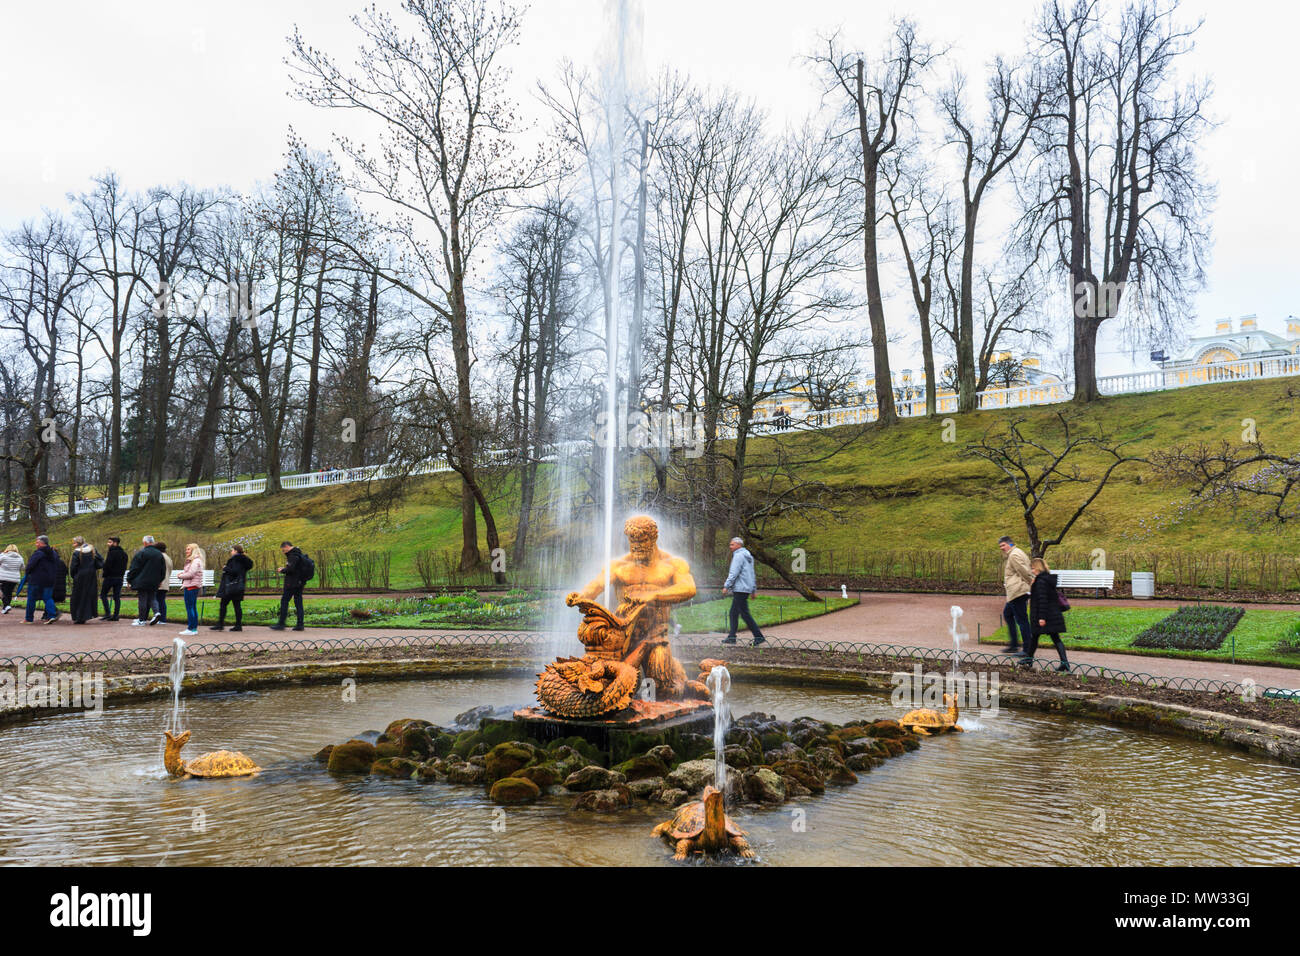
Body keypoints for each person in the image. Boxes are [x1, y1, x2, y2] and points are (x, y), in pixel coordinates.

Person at [1024, 557, 1070, 673]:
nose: (1032, 571)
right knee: (1051, 638)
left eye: (1033, 568)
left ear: (1038, 568)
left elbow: (1042, 600)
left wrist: (1041, 618)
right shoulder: (1045, 580)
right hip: (1052, 614)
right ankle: (1064, 663)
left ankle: (1029, 660)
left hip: (1046, 615)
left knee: (1037, 637)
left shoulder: (1040, 582)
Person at [721, 536, 766, 647]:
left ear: (738, 545)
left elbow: (733, 573)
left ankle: (758, 636)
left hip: (740, 588)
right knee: (733, 613)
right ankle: (732, 637)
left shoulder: (738, 556)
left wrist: (726, 586)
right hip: (745, 588)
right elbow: (752, 574)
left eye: (732, 544)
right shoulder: (748, 556)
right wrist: (753, 589)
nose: (730, 546)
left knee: (744, 614)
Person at [998, 535, 1033, 653]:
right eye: (1000, 546)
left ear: (1010, 544)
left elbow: (1024, 570)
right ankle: (1014, 644)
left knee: (1022, 620)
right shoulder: (1017, 552)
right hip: (1016, 591)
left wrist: (1032, 582)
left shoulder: (1014, 555)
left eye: (1003, 545)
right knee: (1007, 614)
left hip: (1018, 591)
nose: (1001, 548)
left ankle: (1027, 649)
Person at [210, 545, 253, 632]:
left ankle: (221, 624)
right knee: (236, 605)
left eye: (232, 550)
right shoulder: (244, 560)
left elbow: (235, 571)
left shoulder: (236, 559)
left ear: (236, 551)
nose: (231, 552)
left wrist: (226, 568)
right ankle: (237, 625)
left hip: (231, 586)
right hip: (239, 586)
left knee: (223, 604)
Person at [125, 536, 166, 626]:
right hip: (154, 581)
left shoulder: (141, 553)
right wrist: (160, 580)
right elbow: (163, 569)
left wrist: (129, 579)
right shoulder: (159, 554)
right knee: (152, 597)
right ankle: (157, 612)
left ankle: (142, 620)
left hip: (142, 581)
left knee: (142, 599)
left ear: (144, 543)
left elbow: (134, 568)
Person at [23, 536, 60, 624]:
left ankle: (29, 618)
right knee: (48, 598)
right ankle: (52, 615)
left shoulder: (38, 553)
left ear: (41, 543)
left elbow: (30, 566)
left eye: (37, 543)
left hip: (36, 579)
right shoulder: (53, 553)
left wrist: (27, 573)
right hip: (50, 579)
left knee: (31, 598)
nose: (36, 544)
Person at [270, 540, 306, 631]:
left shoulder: (293, 555)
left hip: (292, 583)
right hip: (300, 582)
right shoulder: (299, 554)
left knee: (284, 601)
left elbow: (291, 569)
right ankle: (300, 624)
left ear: (286, 547)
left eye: (283, 550)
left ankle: (281, 624)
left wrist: (282, 570)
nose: (283, 552)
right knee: (298, 602)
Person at [68, 537, 104, 625]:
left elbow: (73, 567)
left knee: (78, 596)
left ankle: (79, 616)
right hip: (91, 575)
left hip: (80, 576)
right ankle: (88, 614)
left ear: (77, 543)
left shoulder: (76, 552)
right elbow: (100, 561)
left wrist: (74, 576)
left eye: (74, 543)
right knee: (88, 595)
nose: (73, 545)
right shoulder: (92, 549)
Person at [177, 543, 205, 637]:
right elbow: (190, 572)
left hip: (191, 587)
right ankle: (193, 628)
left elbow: (191, 574)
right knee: (192, 607)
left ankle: (191, 628)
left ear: (193, 550)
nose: (186, 551)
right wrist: (184, 573)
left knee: (190, 608)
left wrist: (180, 576)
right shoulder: (195, 561)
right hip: (192, 586)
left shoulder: (195, 561)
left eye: (188, 549)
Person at [99, 536, 128, 620]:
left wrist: (105, 572)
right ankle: (116, 615)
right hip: (119, 577)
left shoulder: (111, 552)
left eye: (109, 542)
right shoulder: (124, 553)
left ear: (115, 543)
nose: (108, 544)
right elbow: (124, 566)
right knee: (117, 597)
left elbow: (107, 565)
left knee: (103, 595)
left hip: (110, 577)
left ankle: (107, 613)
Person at [0, 544, 23, 613]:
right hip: (14, 578)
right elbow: (22, 568)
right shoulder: (20, 558)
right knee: (9, 592)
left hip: (3, 577)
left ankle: (6, 605)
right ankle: (5, 608)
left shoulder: (3, 556)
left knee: (2, 592)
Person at [155, 542, 174, 623]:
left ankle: (161, 618)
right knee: (161, 600)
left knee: (158, 601)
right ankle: (163, 619)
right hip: (166, 582)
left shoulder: (159, 557)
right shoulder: (168, 558)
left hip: (159, 582)